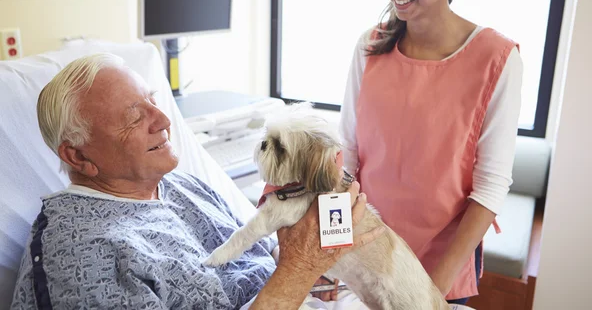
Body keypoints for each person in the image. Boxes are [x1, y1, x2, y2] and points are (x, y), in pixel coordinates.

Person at [11, 53, 381, 310]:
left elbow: (259, 261)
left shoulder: (183, 186)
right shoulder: (79, 254)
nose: (163, 120)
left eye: (153, 101)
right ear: (78, 156)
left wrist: (315, 270)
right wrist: (298, 268)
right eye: (134, 116)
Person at [339, 0, 523, 305]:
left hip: (441, 267)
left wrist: (426, 293)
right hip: (364, 254)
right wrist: (331, 251)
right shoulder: (369, 47)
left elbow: (490, 188)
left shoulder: (497, 59)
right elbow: (347, 158)